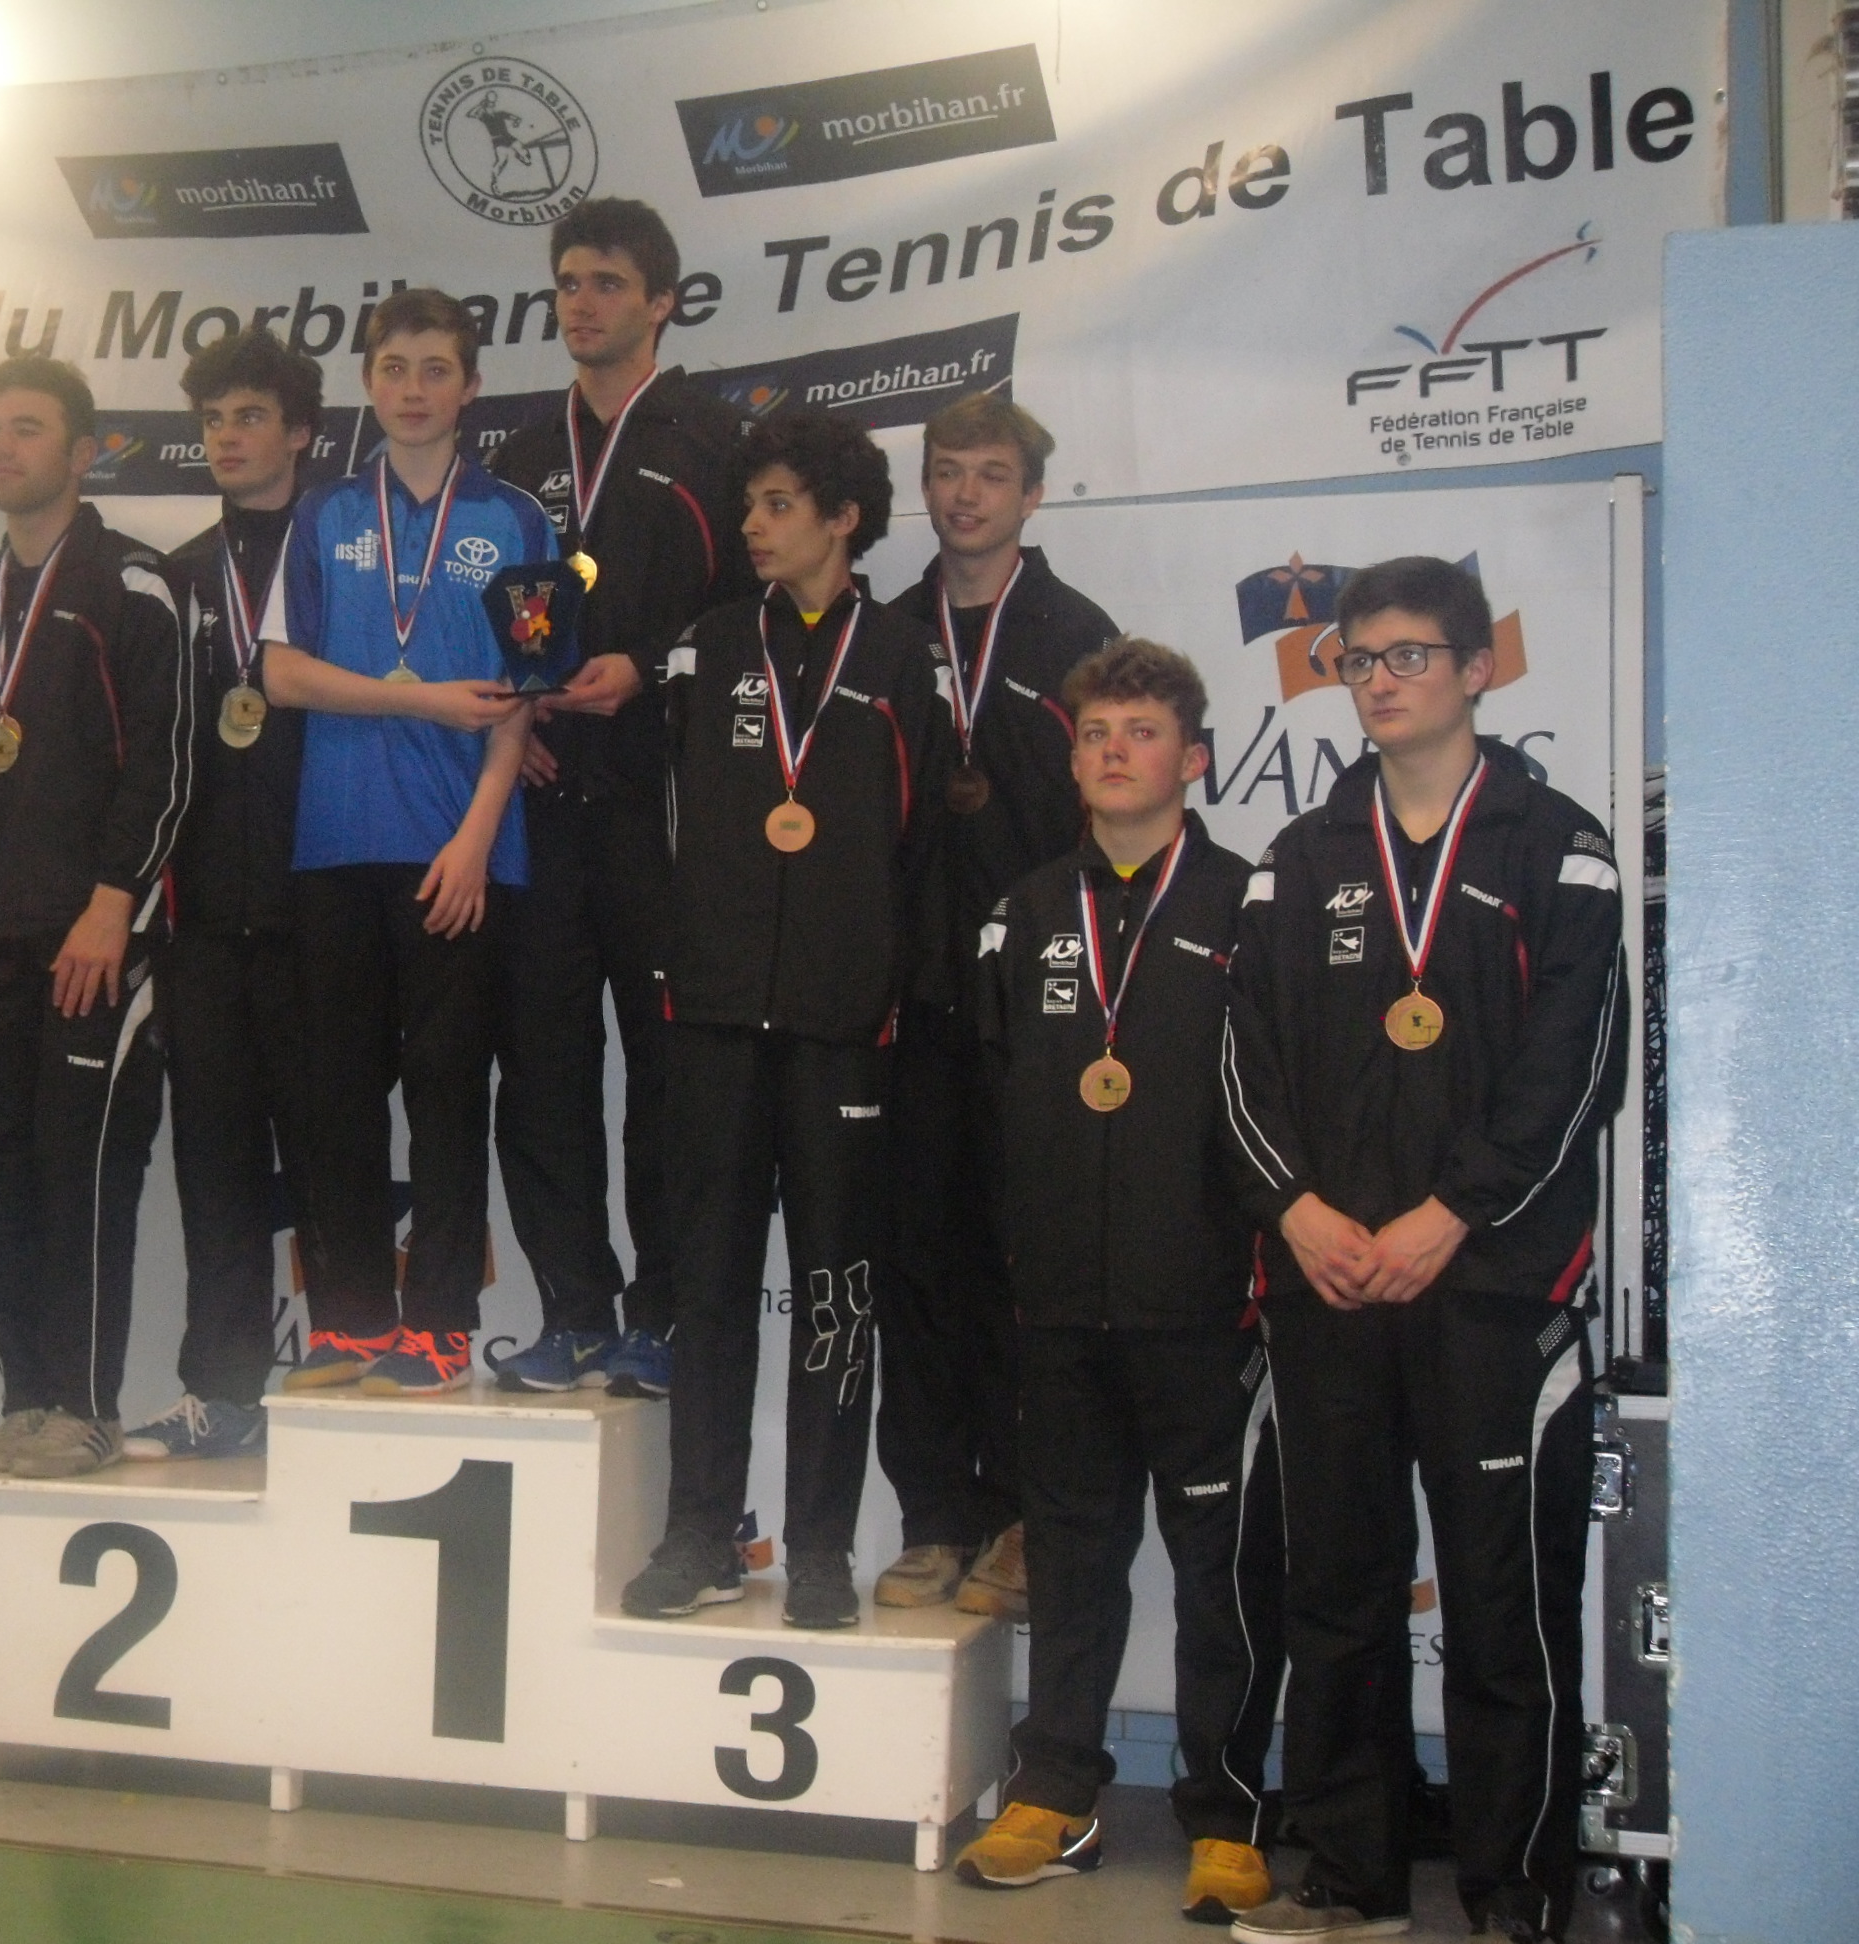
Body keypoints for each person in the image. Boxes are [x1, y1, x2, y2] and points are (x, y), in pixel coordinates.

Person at [1221, 557, 1626, 1944]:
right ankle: (1354, 1881)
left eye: (1410, 655)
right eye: (1359, 660)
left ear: (1477, 669)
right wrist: (1297, 1210)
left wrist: (1452, 1213)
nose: (1381, 681)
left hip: (1494, 1285)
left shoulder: (1556, 845)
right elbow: (1244, 1064)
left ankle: (1516, 1893)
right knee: (1336, 1595)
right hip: (1331, 1281)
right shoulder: (1298, 859)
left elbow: (1574, 1070)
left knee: (1505, 1602)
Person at [954, 639, 1282, 1925]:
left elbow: (1275, 1109)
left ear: (1192, 759)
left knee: (1219, 1574)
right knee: (1074, 1558)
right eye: (1095, 733)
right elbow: (993, 1103)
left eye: (1141, 732)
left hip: (1204, 1303)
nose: (1113, 752)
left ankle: (1227, 1811)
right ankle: (1057, 1793)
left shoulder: (1250, 907)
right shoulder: (1025, 911)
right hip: (1059, 1307)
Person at [619, 408, 954, 1631]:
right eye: (749, 506)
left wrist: (883, 992)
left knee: (836, 1296)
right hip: (711, 1018)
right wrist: (679, 966)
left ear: (843, 518)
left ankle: (818, 1547)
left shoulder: (906, 659)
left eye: (778, 507)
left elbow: (925, 851)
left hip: (841, 1030)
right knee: (707, 1287)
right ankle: (699, 1533)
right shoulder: (708, 647)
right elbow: (660, 825)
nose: (754, 528)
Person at [0, 355, 195, 1479]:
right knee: (8, 1177)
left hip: (96, 949)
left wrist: (115, 903)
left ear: (82, 454)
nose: (3, 447)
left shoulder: (133, 588)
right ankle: (26, 1401)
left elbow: (166, 764)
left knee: (83, 1176)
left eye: (27, 428)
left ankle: (83, 1406)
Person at [484, 197, 748, 1400]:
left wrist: (648, 665)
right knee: (540, 1070)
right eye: (567, 283)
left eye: (605, 283)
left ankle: (666, 1314)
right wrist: (520, 717)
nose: (580, 303)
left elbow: (752, 613)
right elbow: (484, 606)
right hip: (542, 802)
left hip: (662, 804)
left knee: (666, 1075)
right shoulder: (519, 455)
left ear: (661, 302)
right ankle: (574, 1311)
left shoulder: (716, 443)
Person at [259, 288, 544, 1397]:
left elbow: (523, 693)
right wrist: (418, 699)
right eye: (394, 368)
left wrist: (478, 838)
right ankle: (350, 1322)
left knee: (446, 1088)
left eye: (435, 369)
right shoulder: (324, 513)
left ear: (470, 387)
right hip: (335, 842)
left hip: (460, 851)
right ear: (367, 384)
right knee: (336, 1093)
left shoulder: (518, 520)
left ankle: (439, 1326)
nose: (413, 389)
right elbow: (282, 674)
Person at [875, 392, 1112, 1618]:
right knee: (917, 1261)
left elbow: (1112, 821)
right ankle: (933, 1518)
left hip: (1036, 1008)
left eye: (991, 474)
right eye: (947, 472)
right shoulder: (884, 633)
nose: (965, 495)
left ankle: (1022, 1515)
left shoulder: (1077, 635)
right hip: (912, 997)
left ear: (1033, 494)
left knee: (1027, 1266)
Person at [128, 329, 327, 1460]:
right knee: (213, 1167)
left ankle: (349, 1372)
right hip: (202, 921)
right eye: (212, 420)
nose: (226, 438)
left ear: (299, 432)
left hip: (324, 913)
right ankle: (222, 1387)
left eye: (249, 416)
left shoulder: (344, 554)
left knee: (336, 1160)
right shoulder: (176, 578)